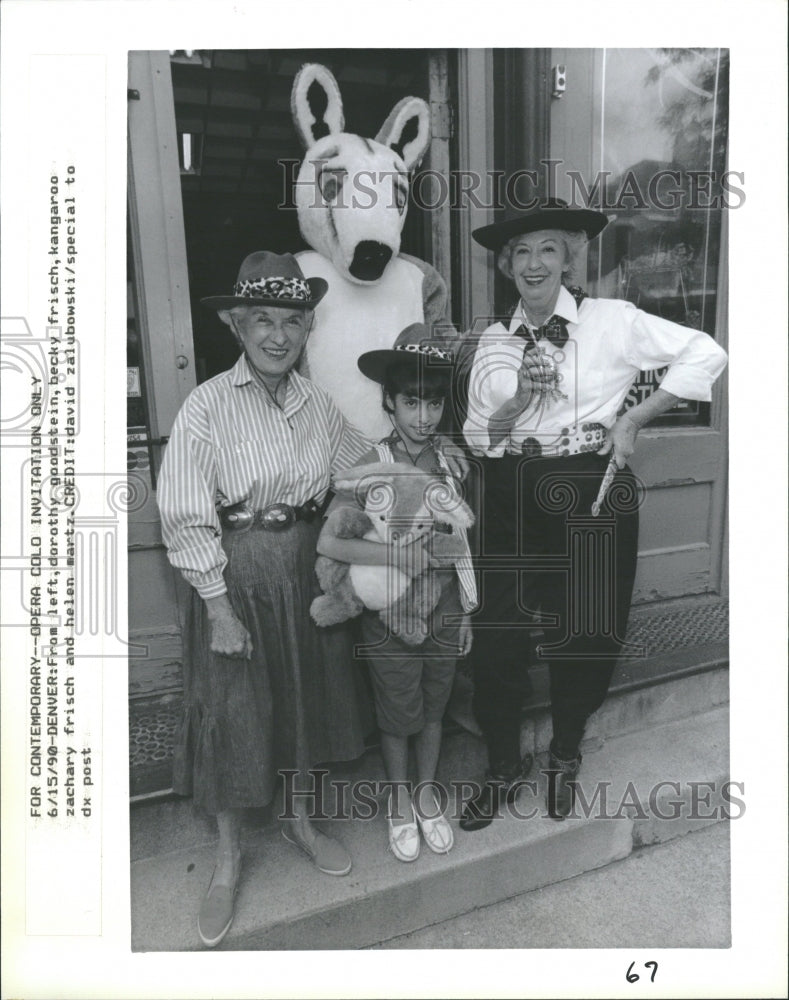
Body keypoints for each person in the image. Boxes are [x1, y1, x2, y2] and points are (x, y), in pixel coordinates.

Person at [458, 199, 728, 829]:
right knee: (498, 636)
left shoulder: (612, 319)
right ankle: (504, 764)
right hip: (511, 489)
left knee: (587, 631)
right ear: (505, 265)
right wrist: (514, 404)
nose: (533, 263)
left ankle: (565, 752)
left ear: (569, 257)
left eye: (547, 249)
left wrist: (635, 417)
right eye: (520, 252)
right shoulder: (494, 341)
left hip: (593, 485)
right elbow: (476, 438)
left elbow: (705, 353)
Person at [157, 251, 372, 948]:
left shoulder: (319, 405)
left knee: (305, 697)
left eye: (290, 321)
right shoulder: (206, 405)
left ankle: (301, 822)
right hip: (235, 575)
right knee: (234, 710)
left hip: (303, 570)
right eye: (261, 321)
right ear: (236, 325)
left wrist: (399, 479)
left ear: (306, 327)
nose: (277, 336)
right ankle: (225, 862)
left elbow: (364, 466)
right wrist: (216, 605)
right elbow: (183, 510)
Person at [316, 323, 478, 862]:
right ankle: (399, 799)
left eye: (434, 403)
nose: (423, 416)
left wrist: (468, 611)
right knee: (396, 709)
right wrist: (398, 556)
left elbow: (461, 544)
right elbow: (332, 543)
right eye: (412, 402)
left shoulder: (452, 463)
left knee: (435, 704)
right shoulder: (370, 468)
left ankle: (428, 792)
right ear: (389, 400)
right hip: (388, 615)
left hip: (444, 607)